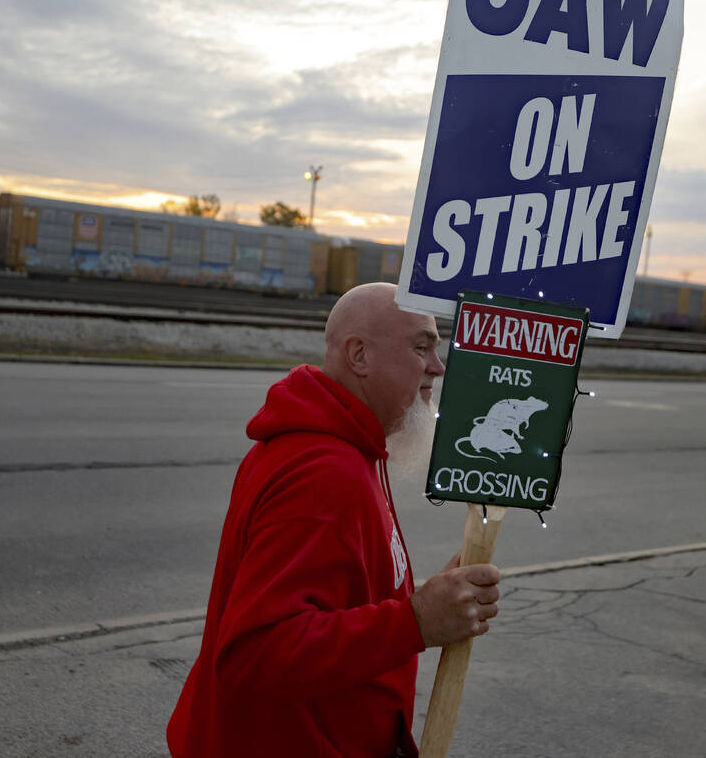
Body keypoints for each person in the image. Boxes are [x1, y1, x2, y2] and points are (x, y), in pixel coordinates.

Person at [167, 282, 501, 757]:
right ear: (359, 355)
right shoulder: (324, 473)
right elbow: (255, 654)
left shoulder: (347, 447)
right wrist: (415, 621)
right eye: (421, 346)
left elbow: (337, 594)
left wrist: (429, 600)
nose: (438, 365)